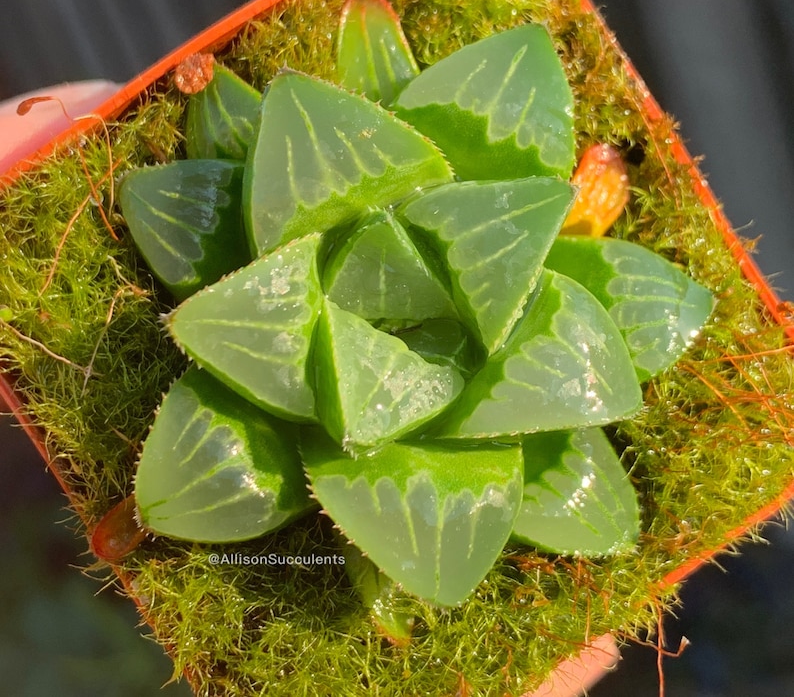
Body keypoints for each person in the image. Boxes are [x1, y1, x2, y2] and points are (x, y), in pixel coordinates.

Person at [0, 81, 621, 696]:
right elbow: (297, 128)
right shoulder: (321, 205)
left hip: (407, 430)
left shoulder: (546, 335)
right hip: (299, 311)